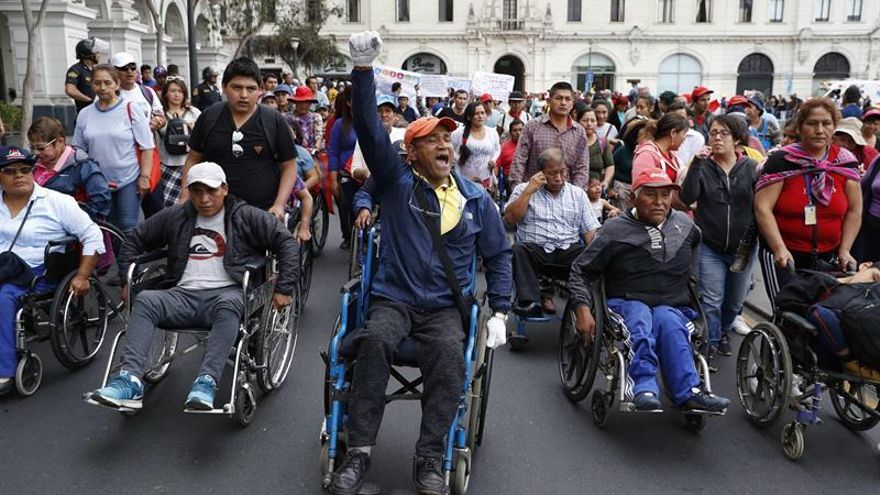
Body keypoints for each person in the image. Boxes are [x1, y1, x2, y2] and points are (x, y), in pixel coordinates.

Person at [331, 31, 512, 495]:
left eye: (448, 138)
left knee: (451, 356)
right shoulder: (396, 183)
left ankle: (431, 457)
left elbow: (497, 254)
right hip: (394, 299)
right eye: (432, 139)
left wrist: (504, 311)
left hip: (444, 308)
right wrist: (364, 71)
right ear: (412, 153)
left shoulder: (476, 200)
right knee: (373, 343)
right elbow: (371, 129)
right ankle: (359, 452)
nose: (444, 144)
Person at [86, 162, 298, 410]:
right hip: (181, 294)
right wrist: (125, 278)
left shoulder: (245, 215)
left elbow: (286, 242)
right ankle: (130, 380)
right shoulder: (177, 215)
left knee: (230, 303)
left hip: (226, 294)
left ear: (225, 189)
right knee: (145, 300)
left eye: (211, 191)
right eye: (197, 191)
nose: (204, 198)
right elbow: (135, 239)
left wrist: (284, 288)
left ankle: (206, 382)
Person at [568, 167, 731, 413]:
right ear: (634, 198)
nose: (659, 202)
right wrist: (582, 309)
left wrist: (693, 276)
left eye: (665, 195)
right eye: (651, 196)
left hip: (672, 303)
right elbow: (581, 270)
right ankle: (643, 387)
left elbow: (696, 244)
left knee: (670, 323)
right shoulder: (614, 230)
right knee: (641, 319)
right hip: (626, 301)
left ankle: (689, 392)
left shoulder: (685, 225)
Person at [0, 146, 104, 395]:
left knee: (3, 297)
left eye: (25, 170)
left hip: (38, 271)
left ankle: (4, 369)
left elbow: (93, 236)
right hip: (3, 265)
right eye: (10, 171)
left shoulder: (57, 202)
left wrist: (82, 275)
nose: (19, 176)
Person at [754, 98, 863, 307]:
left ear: (834, 127)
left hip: (828, 255)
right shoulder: (782, 161)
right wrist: (779, 248)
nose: (820, 130)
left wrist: (845, 250)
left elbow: (854, 210)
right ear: (800, 127)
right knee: (789, 310)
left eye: (826, 124)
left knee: (822, 312)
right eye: (812, 123)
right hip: (785, 254)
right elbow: (762, 208)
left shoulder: (845, 162)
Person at [680, 115, 758, 359]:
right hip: (709, 246)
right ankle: (711, 342)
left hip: (743, 247)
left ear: (736, 139)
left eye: (723, 133)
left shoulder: (752, 168)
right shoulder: (704, 166)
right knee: (712, 299)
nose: (717, 137)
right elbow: (687, 197)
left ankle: (724, 330)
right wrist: (696, 165)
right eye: (713, 133)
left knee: (734, 302)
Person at [182, 57, 299, 220]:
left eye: (251, 89)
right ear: (224, 87)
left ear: (260, 90)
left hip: (261, 215)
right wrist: (184, 198)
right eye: (237, 87)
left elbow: (289, 166)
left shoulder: (273, 120)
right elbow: (193, 160)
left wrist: (279, 204)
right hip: (212, 215)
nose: (244, 95)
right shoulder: (209, 117)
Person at [504, 147, 599, 317]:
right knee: (519, 249)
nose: (558, 178)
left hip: (567, 252)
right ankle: (531, 303)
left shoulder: (578, 195)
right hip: (535, 252)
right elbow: (510, 218)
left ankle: (586, 305)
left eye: (562, 172)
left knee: (592, 253)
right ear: (540, 173)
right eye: (552, 173)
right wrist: (529, 191)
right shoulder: (523, 189)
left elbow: (590, 233)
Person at [73, 64, 155, 233]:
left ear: (117, 84)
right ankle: (117, 259)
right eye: (97, 83)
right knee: (108, 228)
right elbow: (78, 147)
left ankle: (128, 260)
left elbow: (147, 147)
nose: (102, 87)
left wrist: (145, 177)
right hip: (98, 182)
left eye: (107, 82)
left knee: (128, 226)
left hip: (129, 179)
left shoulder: (131, 109)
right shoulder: (85, 114)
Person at [509, 81, 589, 189]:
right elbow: (519, 160)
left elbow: (582, 168)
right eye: (559, 98)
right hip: (534, 193)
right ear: (549, 100)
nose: (563, 103)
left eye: (567, 99)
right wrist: (519, 190)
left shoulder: (579, 132)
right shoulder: (532, 127)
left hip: (566, 196)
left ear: (572, 103)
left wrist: (576, 195)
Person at [27, 117, 110, 220]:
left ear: (60, 142)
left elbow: (100, 200)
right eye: (32, 147)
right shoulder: (32, 164)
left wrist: (78, 221)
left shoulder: (82, 165)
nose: (36, 153)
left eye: (41, 148)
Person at [157, 77, 201, 207]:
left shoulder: (194, 113)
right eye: (173, 91)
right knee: (167, 205)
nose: (176, 94)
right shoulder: (160, 114)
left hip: (188, 164)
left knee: (188, 203)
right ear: (166, 93)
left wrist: (194, 128)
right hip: (166, 164)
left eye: (180, 91)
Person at [328, 87, 358, 249]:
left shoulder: (371, 122)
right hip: (345, 173)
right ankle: (347, 235)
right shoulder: (340, 124)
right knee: (345, 206)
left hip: (366, 173)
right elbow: (333, 151)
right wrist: (333, 180)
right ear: (348, 102)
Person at [631, 112, 689, 190]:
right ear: (673, 133)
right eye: (684, 134)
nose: (684, 138)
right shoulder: (646, 155)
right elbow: (641, 189)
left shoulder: (672, 155)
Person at [451, 102, 501, 190]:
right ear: (469, 117)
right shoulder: (458, 133)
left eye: (482, 113)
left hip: (485, 181)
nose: (480, 116)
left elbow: (497, 149)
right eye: (476, 114)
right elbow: (450, 149)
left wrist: (493, 160)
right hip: (464, 182)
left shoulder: (492, 133)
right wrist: (458, 159)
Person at [610, 117, 654, 210]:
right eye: (643, 136)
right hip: (622, 190)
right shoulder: (622, 151)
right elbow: (610, 168)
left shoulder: (649, 153)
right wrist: (610, 189)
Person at [576, 105, 614, 191]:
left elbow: (610, 165)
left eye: (593, 121)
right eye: (585, 120)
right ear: (578, 122)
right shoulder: (572, 142)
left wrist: (606, 181)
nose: (589, 124)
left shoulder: (602, 142)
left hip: (596, 191)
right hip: (576, 189)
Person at [66, 37, 104, 113]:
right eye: (97, 52)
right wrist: (90, 100)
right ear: (88, 54)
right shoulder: (76, 70)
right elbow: (70, 90)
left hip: (100, 109)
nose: (99, 55)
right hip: (86, 112)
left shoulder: (95, 70)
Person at [287, 86, 325, 151]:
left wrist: (316, 147)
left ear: (310, 103)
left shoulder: (316, 117)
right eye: (300, 102)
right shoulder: (287, 118)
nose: (303, 105)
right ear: (295, 102)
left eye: (306, 102)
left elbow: (319, 135)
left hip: (313, 152)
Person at [496, 119, 523, 193]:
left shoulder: (529, 145)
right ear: (510, 133)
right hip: (510, 180)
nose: (518, 133)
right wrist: (494, 182)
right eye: (515, 130)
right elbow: (497, 165)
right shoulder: (503, 147)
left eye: (520, 130)